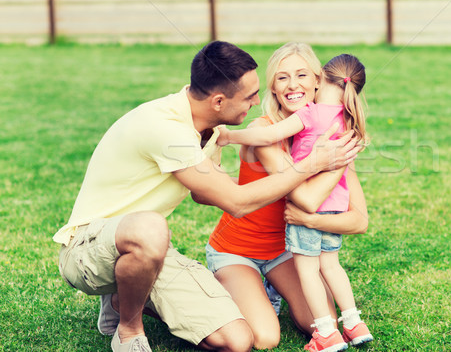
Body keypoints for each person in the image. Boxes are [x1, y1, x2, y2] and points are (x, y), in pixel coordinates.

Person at [52, 41, 359, 352]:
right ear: (218, 101)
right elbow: (240, 202)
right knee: (151, 228)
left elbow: (207, 195)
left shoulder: (211, 131)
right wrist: (314, 165)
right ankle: (129, 328)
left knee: (245, 338)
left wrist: (230, 187)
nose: (256, 101)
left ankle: (122, 299)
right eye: (250, 95)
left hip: (158, 248)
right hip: (90, 247)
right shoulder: (170, 129)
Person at [205, 43, 370, 350]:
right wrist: (329, 162)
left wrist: (313, 216)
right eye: (282, 78)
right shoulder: (264, 131)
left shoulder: (333, 134)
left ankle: (269, 288)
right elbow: (304, 199)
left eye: (301, 75)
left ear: (319, 80)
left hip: (285, 251)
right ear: (274, 88)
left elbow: (359, 221)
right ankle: (209, 289)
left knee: (323, 321)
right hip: (238, 250)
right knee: (266, 338)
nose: (293, 85)